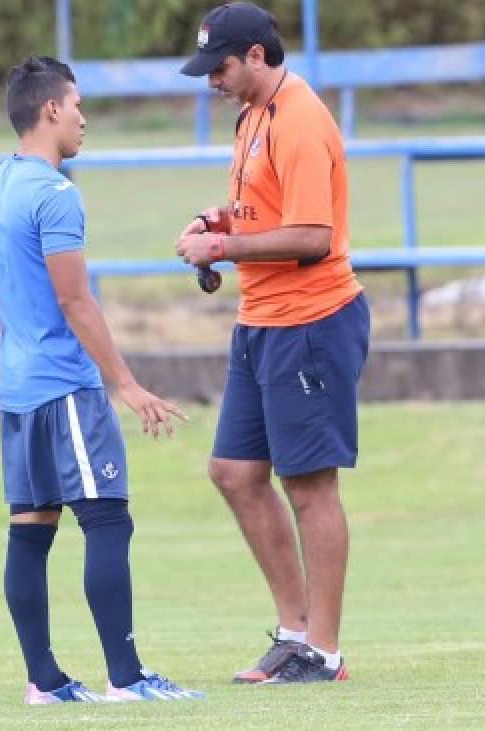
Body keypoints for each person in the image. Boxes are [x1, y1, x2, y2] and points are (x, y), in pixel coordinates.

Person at [0, 56, 202, 704]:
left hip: (17, 392)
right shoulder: (54, 193)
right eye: (76, 104)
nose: (83, 117)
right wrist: (125, 384)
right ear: (50, 110)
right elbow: (77, 301)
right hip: (65, 386)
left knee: (31, 527)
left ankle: (44, 682)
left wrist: (6, 318)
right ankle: (127, 681)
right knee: (107, 522)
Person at [176, 3, 370, 684]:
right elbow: (268, 206)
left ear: (256, 55)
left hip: (310, 321)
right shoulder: (254, 115)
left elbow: (314, 236)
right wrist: (218, 219)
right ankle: (294, 632)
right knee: (233, 472)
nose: (212, 82)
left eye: (220, 68)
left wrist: (223, 245)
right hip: (261, 319)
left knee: (311, 486)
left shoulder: (299, 119)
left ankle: (325, 650)